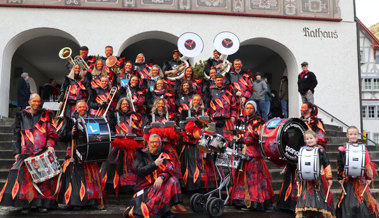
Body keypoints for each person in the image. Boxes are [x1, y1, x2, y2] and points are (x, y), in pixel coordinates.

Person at [0, 94, 58, 213]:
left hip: (42, 152)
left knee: (43, 180)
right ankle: (25, 204)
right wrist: (16, 152)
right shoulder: (21, 115)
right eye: (34, 101)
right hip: (25, 153)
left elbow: (52, 133)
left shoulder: (46, 115)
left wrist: (50, 145)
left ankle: (41, 203)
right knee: (24, 180)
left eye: (38, 101)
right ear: (29, 101)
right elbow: (16, 135)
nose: (36, 103)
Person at [58, 100, 104, 209]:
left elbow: (98, 135)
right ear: (76, 109)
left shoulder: (92, 120)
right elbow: (61, 136)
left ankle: (91, 202)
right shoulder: (70, 120)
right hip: (73, 154)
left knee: (90, 179)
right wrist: (71, 133)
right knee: (73, 178)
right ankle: (74, 202)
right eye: (80, 107)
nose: (82, 109)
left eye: (84, 107)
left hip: (88, 154)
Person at [123, 134, 183, 218]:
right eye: (152, 142)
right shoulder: (141, 154)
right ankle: (159, 212)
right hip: (143, 189)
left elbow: (171, 170)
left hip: (157, 186)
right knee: (157, 194)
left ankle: (165, 210)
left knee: (173, 180)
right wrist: (154, 164)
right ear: (148, 143)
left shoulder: (164, 154)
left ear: (161, 143)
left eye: (156, 142)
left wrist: (162, 177)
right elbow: (139, 171)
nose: (154, 144)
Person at [230, 100, 274, 210]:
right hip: (244, 153)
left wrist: (244, 139)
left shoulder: (258, 121)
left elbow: (257, 136)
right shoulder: (243, 121)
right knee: (243, 178)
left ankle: (255, 202)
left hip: (254, 154)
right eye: (247, 108)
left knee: (254, 179)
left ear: (254, 109)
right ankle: (242, 201)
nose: (248, 110)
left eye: (251, 108)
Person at [100, 98, 143, 195]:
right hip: (117, 143)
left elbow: (138, 129)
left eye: (127, 104)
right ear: (120, 105)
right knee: (111, 163)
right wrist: (115, 136)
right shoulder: (113, 115)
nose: (125, 106)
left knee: (131, 165)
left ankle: (129, 186)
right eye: (123, 104)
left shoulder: (134, 115)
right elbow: (110, 128)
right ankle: (111, 185)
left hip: (130, 144)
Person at [336, 126, 379, 218]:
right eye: (351, 134)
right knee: (347, 203)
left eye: (355, 134)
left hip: (360, 180)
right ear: (347, 135)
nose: (353, 136)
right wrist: (340, 177)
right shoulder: (343, 149)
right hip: (348, 179)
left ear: (358, 135)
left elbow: (367, 163)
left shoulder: (363, 148)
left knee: (362, 203)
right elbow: (340, 163)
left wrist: (369, 177)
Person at [296, 130, 335, 218]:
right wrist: (298, 178)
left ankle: (318, 215)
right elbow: (299, 166)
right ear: (305, 140)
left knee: (319, 199)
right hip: (306, 180)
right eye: (307, 139)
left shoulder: (320, 150)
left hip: (319, 179)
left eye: (311, 138)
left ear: (316, 138)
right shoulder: (303, 150)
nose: (309, 140)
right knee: (306, 200)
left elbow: (326, 164)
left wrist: (329, 177)